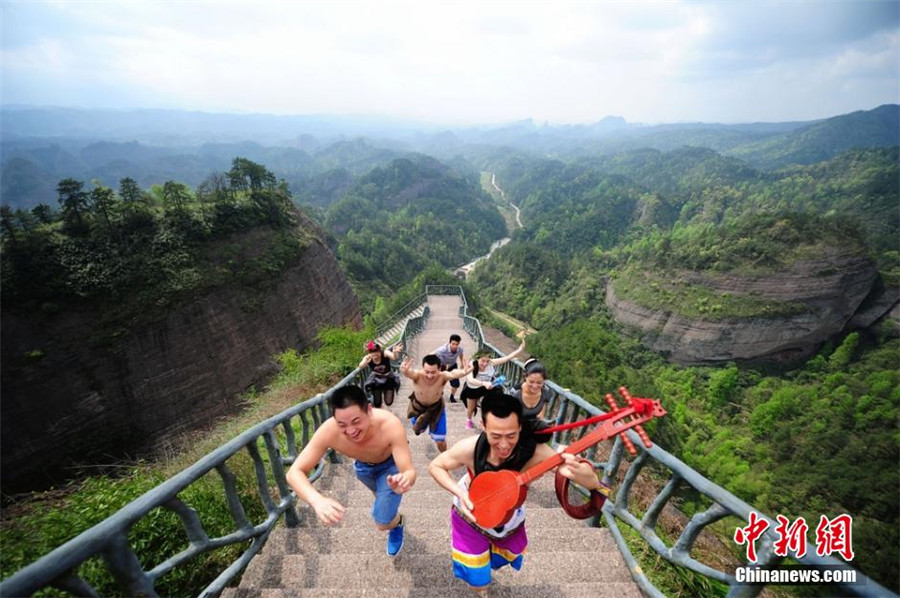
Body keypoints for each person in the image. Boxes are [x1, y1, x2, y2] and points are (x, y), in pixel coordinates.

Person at [428, 393, 606, 591]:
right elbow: (436, 466)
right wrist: (460, 494)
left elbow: (592, 482)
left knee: (495, 561)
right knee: (478, 579)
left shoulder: (536, 453)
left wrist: (580, 472)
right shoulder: (469, 448)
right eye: (495, 436)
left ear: (520, 427)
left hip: (508, 518)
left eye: (511, 435)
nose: (504, 445)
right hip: (469, 515)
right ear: (484, 426)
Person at [286, 384, 416, 557]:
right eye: (342, 424)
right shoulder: (329, 431)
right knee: (381, 500)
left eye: (356, 421)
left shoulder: (389, 425)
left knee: (382, 521)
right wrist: (316, 500)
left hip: (390, 469)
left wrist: (405, 479)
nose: (351, 431)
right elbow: (294, 472)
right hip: (363, 469)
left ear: (369, 410)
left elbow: (408, 470)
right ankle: (388, 509)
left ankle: (396, 523)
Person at [400, 354, 470, 453]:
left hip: (436, 409)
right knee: (418, 429)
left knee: (440, 441)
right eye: (427, 372)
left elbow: (453, 374)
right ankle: (422, 426)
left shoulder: (443, 376)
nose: (429, 376)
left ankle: (444, 457)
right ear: (422, 368)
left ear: (439, 369)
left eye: (433, 372)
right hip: (418, 408)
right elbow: (409, 373)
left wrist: (463, 372)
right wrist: (405, 370)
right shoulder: (418, 375)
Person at [460, 337, 526, 430]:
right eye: (483, 361)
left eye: (487, 361)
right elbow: (470, 379)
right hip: (473, 388)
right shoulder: (472, 365)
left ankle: (488, 420)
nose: (485, 363)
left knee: (491, 401)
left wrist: (520, 349)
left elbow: (506, 358)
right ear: (478, 359)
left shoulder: (491, 363)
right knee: (471, 408)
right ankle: (469, 420)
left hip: (486, 387)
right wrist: (483, 383)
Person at [359, 340, 403, 408]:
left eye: (377, 352)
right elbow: (361, 365)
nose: (376, 354)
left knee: (389, 402)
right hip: (376, 379)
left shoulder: (384, 353)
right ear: (369, 353)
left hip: (388, 378)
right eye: (373, 352)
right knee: (377, 402)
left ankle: (386, 392)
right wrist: (365, 362)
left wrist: (395, 352)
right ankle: (380, 412)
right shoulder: (368, 357)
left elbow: (395, 357)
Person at [432, 334, 466, 403]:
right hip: (442, 367)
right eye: (453, 344)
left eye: (456, 344)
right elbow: (431, 354)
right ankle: (438, 395)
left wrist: (462, 363)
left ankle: (452, 396)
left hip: (452, 366)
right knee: (439, 383)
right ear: (449, 342)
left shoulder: (459, 349)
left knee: (456, 384)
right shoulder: (443, 349)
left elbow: (461, 354)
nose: (454, 346)